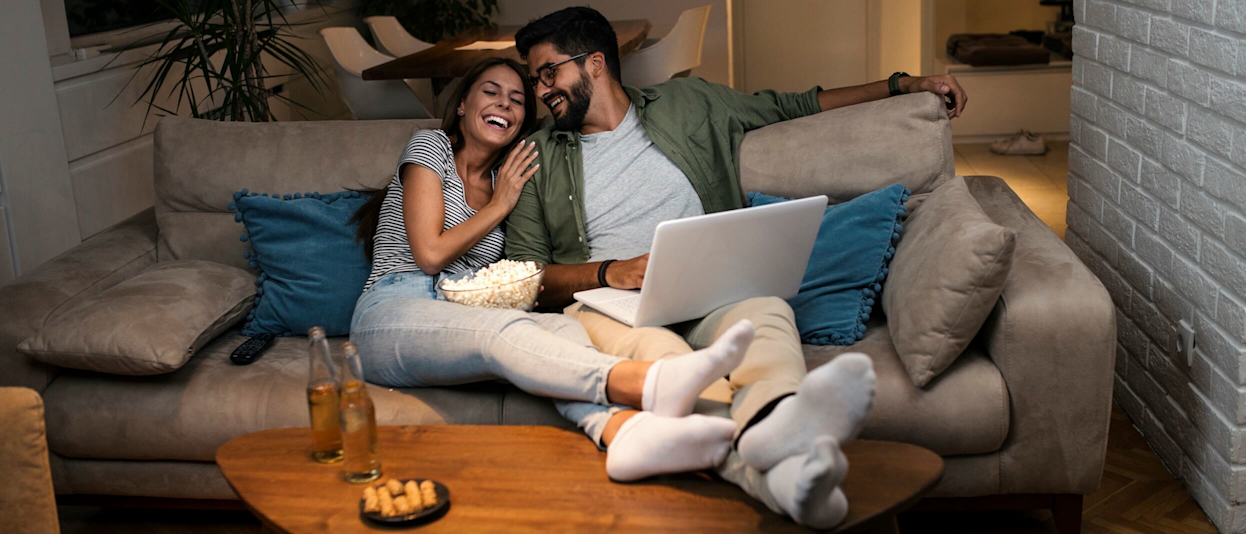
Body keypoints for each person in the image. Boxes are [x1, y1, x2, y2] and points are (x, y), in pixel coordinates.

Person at [506, 7, 969, 528]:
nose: (540, 91)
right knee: (666, 358)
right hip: (610, 307)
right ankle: (782, 469)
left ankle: (777, 426)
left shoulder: (690, 104)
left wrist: (903, 83)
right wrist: (609, 271)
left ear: (594, 64)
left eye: (549, 72)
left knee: (767, 312)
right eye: (535, 78)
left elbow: (794, 104)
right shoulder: (536, 155)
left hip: (709, 290)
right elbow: (526, 277)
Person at [348, 57, 759, 482]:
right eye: (491, 92)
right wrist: (499, 206)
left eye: (516, 100)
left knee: (565, 333)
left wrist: (510, 198)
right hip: (394, 306)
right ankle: (649, 381)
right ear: (462, 106)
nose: (504, 105)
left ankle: (624, 434)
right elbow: (429, 254)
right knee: (503, 334)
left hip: (466, 312)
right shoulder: (430, 146)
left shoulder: (512, 176)